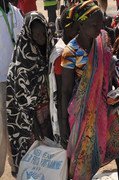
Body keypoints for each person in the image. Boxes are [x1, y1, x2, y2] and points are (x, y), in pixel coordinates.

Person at [60, 1, 119, 179]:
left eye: (102, 23)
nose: (100, 28)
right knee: (84, 158)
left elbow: (108, 71)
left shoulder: (102, 40)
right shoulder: (70, 52)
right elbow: (65, 90)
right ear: (81, 24)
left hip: (106, 104)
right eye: (95, 25)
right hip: (83, 113)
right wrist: (63, 124)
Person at [6, 11, 53, 176]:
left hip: (47, 111)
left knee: (49, 156)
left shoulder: (48, 49)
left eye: (43, 32)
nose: (41, 37)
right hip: (29, 117)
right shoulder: (22, 60)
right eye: (37, 33)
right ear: (29, 33)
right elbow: (21, 99)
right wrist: (34, 123)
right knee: (33, 156)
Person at [49, 5, 80, 147]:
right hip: (66, 116)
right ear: (68, 28)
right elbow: (62, 93)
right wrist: (63, 124)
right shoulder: (62, 54)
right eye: (78, 26)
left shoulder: (69, 47)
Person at [0, 0, 23, 177]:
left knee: (15, 128)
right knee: (1, 132)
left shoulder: (15, 12)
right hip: (0, 81)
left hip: (15, 79)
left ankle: (15, 167)